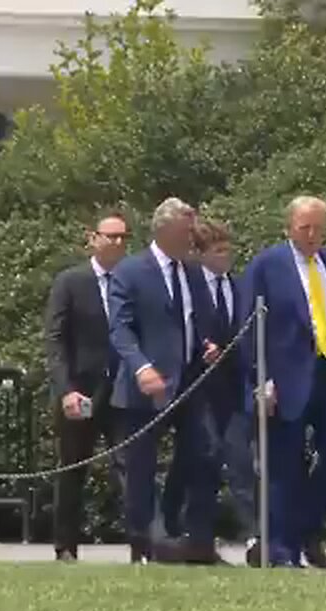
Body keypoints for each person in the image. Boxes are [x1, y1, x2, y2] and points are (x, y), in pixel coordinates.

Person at [239, 195, 326, 569]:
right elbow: (248, 327)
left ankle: (306, 527)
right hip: (285, 376)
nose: (312, 235)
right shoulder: (267, 266)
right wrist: (260, 379)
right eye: (305, 228)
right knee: (283, 465)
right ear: (289, 226)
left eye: (318, 228)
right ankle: (281, 549)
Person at [108, 197, 224, 565]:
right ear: (164, 229)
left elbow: (202, 319)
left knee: (205, 454)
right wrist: (141, 367)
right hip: (148, 384)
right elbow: (120, 328)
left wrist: (209, 345)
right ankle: (142, 544)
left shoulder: (191, 271)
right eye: (185, 228)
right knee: (141, 468)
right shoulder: (130, 271)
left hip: (189, 381)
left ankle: (198, 541)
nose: (192, 235)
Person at [162, 220, 262, 563]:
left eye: (227, 249)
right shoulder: (190, 285)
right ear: (201, 254)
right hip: (199, 390)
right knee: (202, 458)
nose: (226, 257)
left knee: (239, 461)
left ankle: (255, 535)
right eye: (218, 251)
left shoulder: (237, 287)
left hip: (231, 390)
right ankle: (187, 532)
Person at [43, 212, 129, 562]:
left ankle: (143, 543)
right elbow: (55, 339)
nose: (118, 243)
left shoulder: (131, 280)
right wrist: (66, 390)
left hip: (121, 388)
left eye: (124, 237)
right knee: (73, 469)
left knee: (129, 465)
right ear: (92, 239)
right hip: (80, 390)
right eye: (111, 236)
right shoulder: (71, 282)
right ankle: (66, 546)